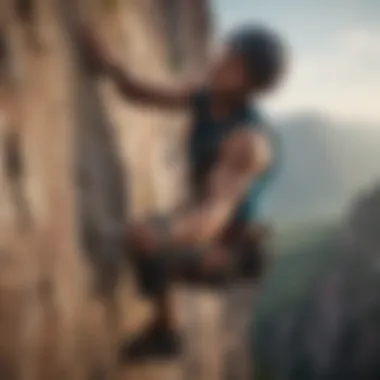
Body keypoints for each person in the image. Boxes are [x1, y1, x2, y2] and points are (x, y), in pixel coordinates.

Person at [79, 23, 288, 362]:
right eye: (226, 53)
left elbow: (214, 216)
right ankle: (166, 332)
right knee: (149, 238)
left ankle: (165, 335)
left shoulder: (246, 143)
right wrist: (110, 65)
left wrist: (164, 233)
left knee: (152, 243)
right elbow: (141, 93)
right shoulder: (204, 97)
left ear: (252, 87)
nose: (220, 63)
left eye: (234, 65)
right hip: (210, 226)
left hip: (233, 247)